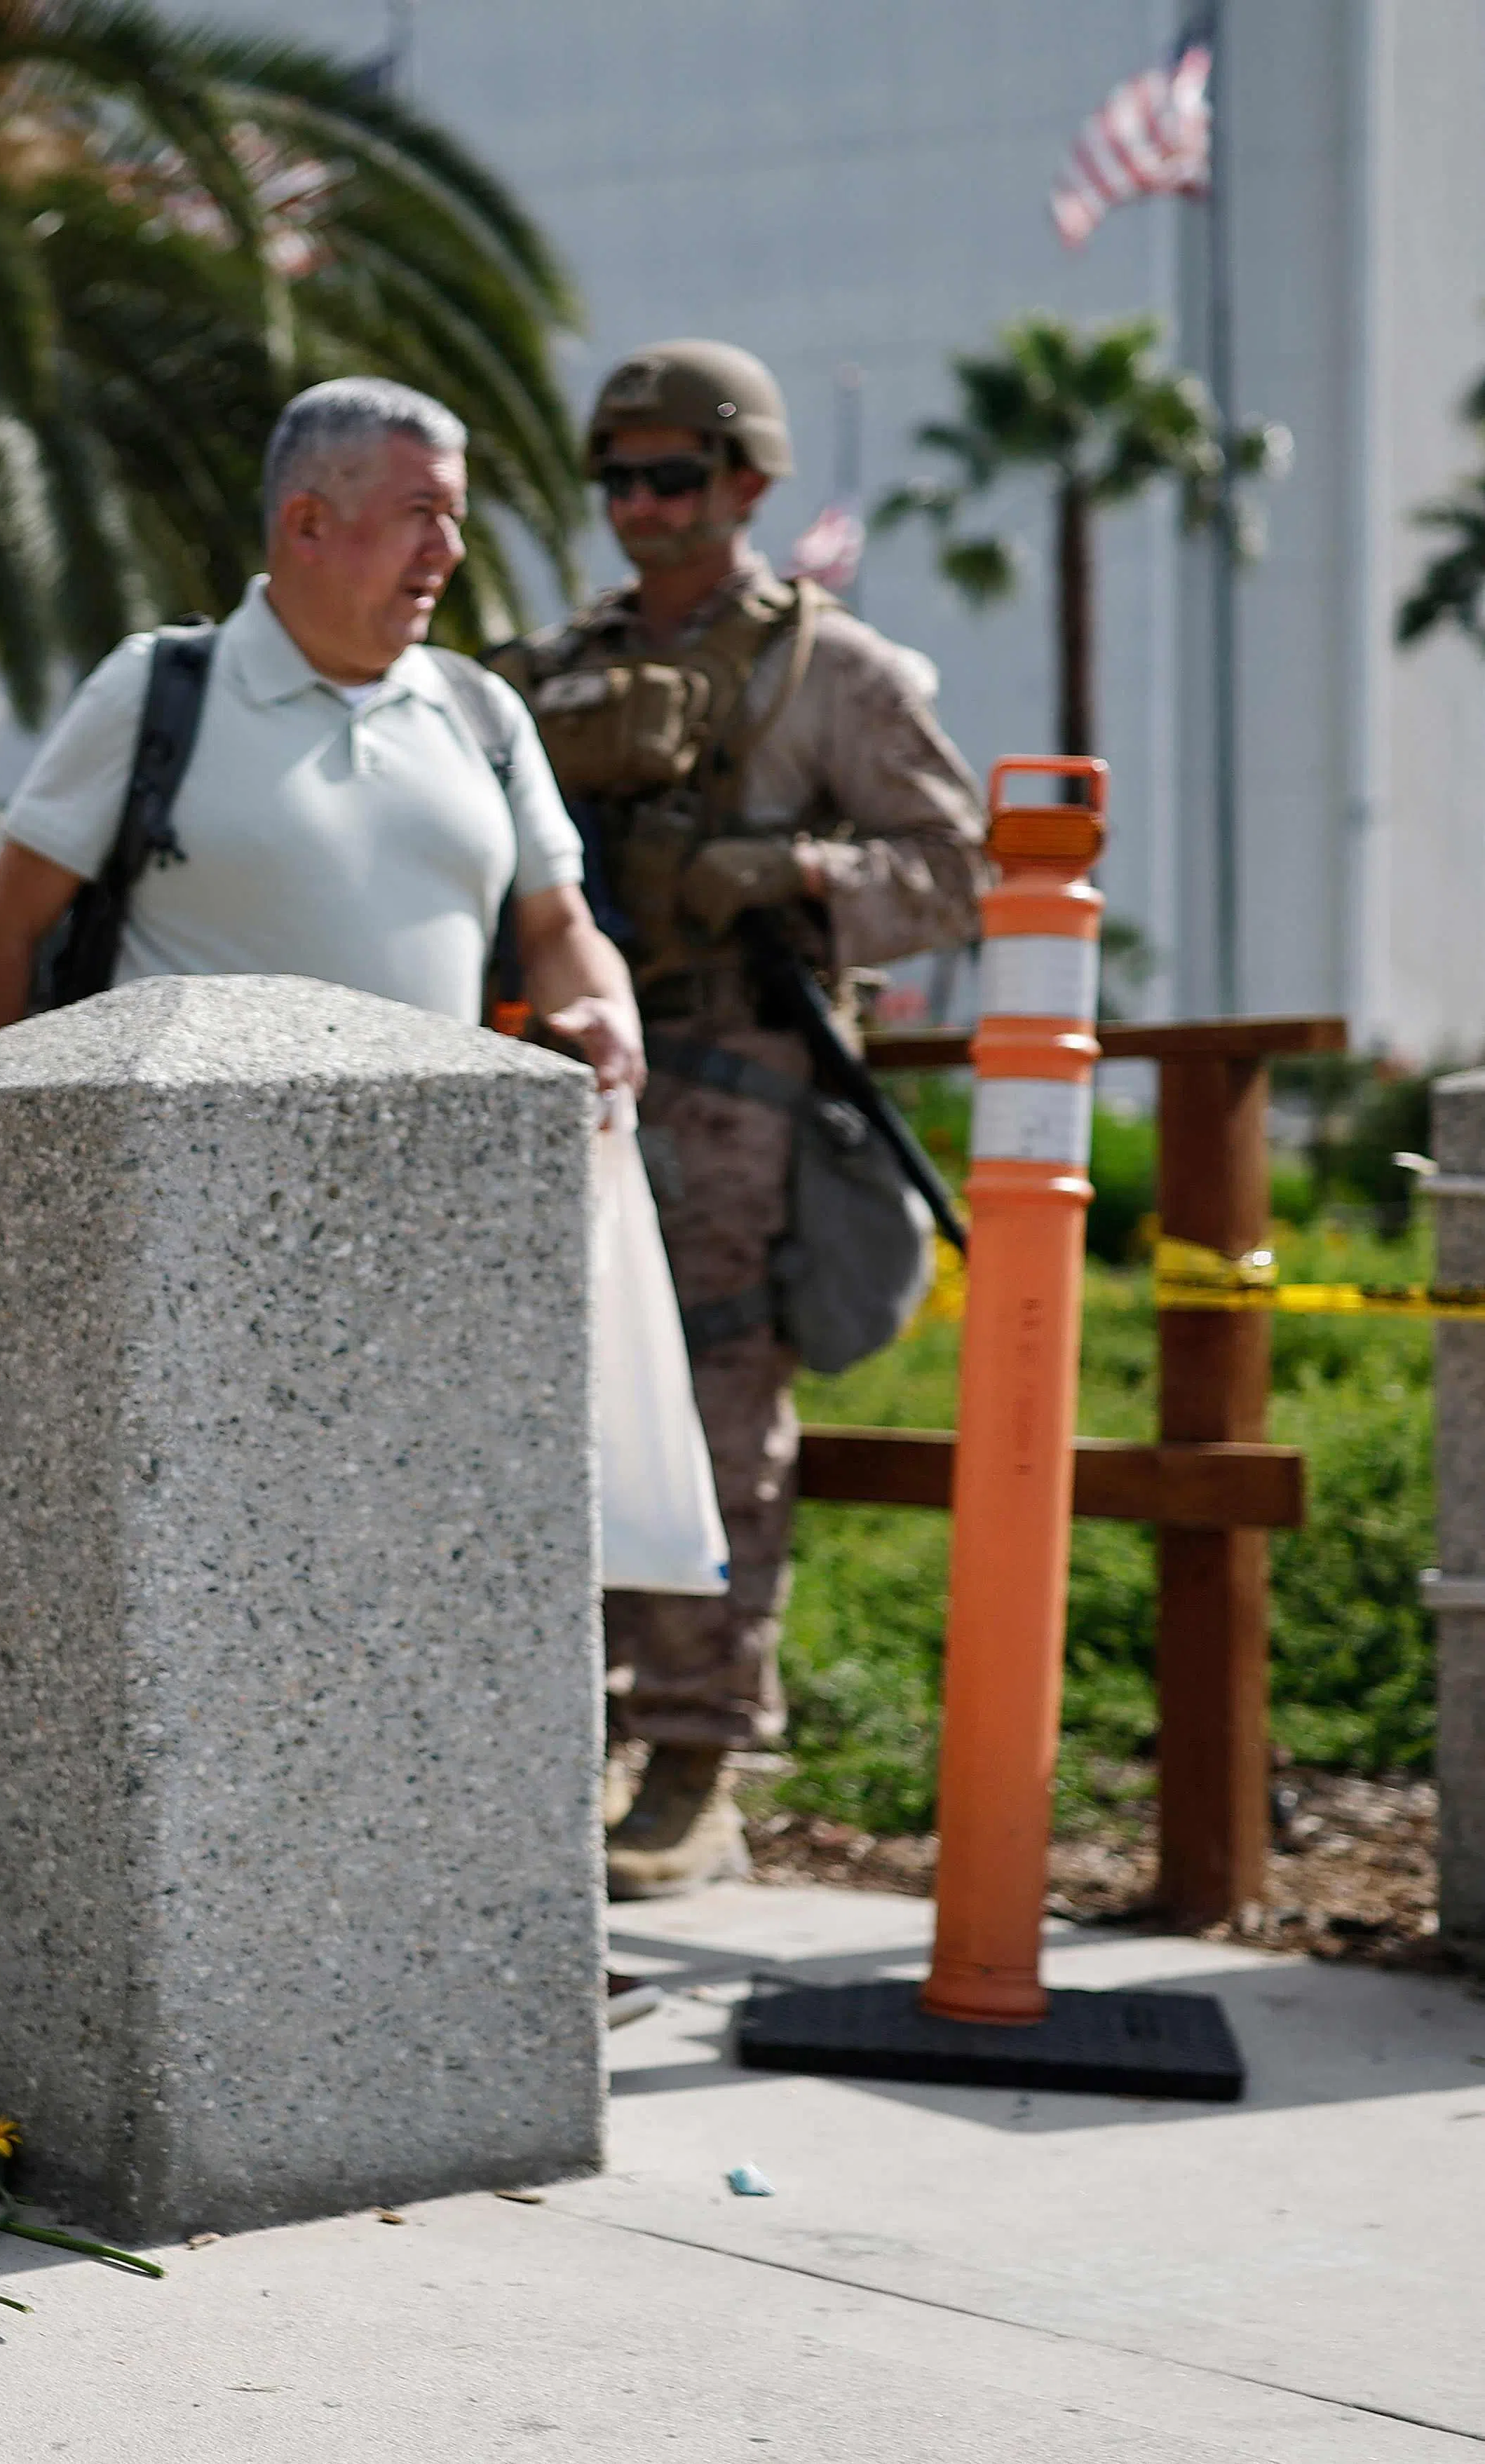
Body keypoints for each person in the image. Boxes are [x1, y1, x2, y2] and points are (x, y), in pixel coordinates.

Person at [491, 341, 984, 1898]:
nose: (639, 505)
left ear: (748, 482)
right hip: (564, 1081)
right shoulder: (545, 672)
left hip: (736, 1089)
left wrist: (788, 874)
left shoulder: (832, 671)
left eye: (671, 476)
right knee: (543, 1408)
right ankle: (560, 1737)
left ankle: (695, 1760)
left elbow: (958, 873)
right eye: (617, 478)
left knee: (713, 1411)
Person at [0, 376, 644, 1100]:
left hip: (435, 1165)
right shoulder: (152, 690)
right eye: (420, 513)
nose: (449, 549)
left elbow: (555, 927)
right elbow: (10, 926)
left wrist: (603, 1006)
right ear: (308, 524)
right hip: (188, 1170)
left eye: (454, 518)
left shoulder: (484, 711)